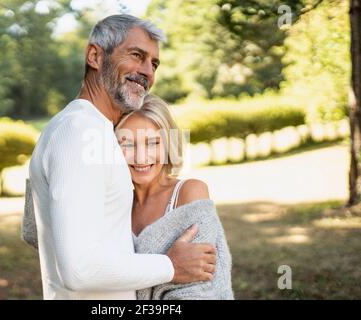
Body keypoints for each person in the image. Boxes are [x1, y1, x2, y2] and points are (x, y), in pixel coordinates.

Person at [27, 14, 216, 300]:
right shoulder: (80, 131)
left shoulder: (95, 131)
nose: (147, 72)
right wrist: (171, 266)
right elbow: (78, 270)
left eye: (153, 64)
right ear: (95, 56)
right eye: (136, 55)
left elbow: (34, 232)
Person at [115, 94, 234, 299]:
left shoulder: (190, 192)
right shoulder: (115, 203)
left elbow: (199, 287)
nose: (141, 157)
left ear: (168, 144)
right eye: (127, 144)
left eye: (152, 143)